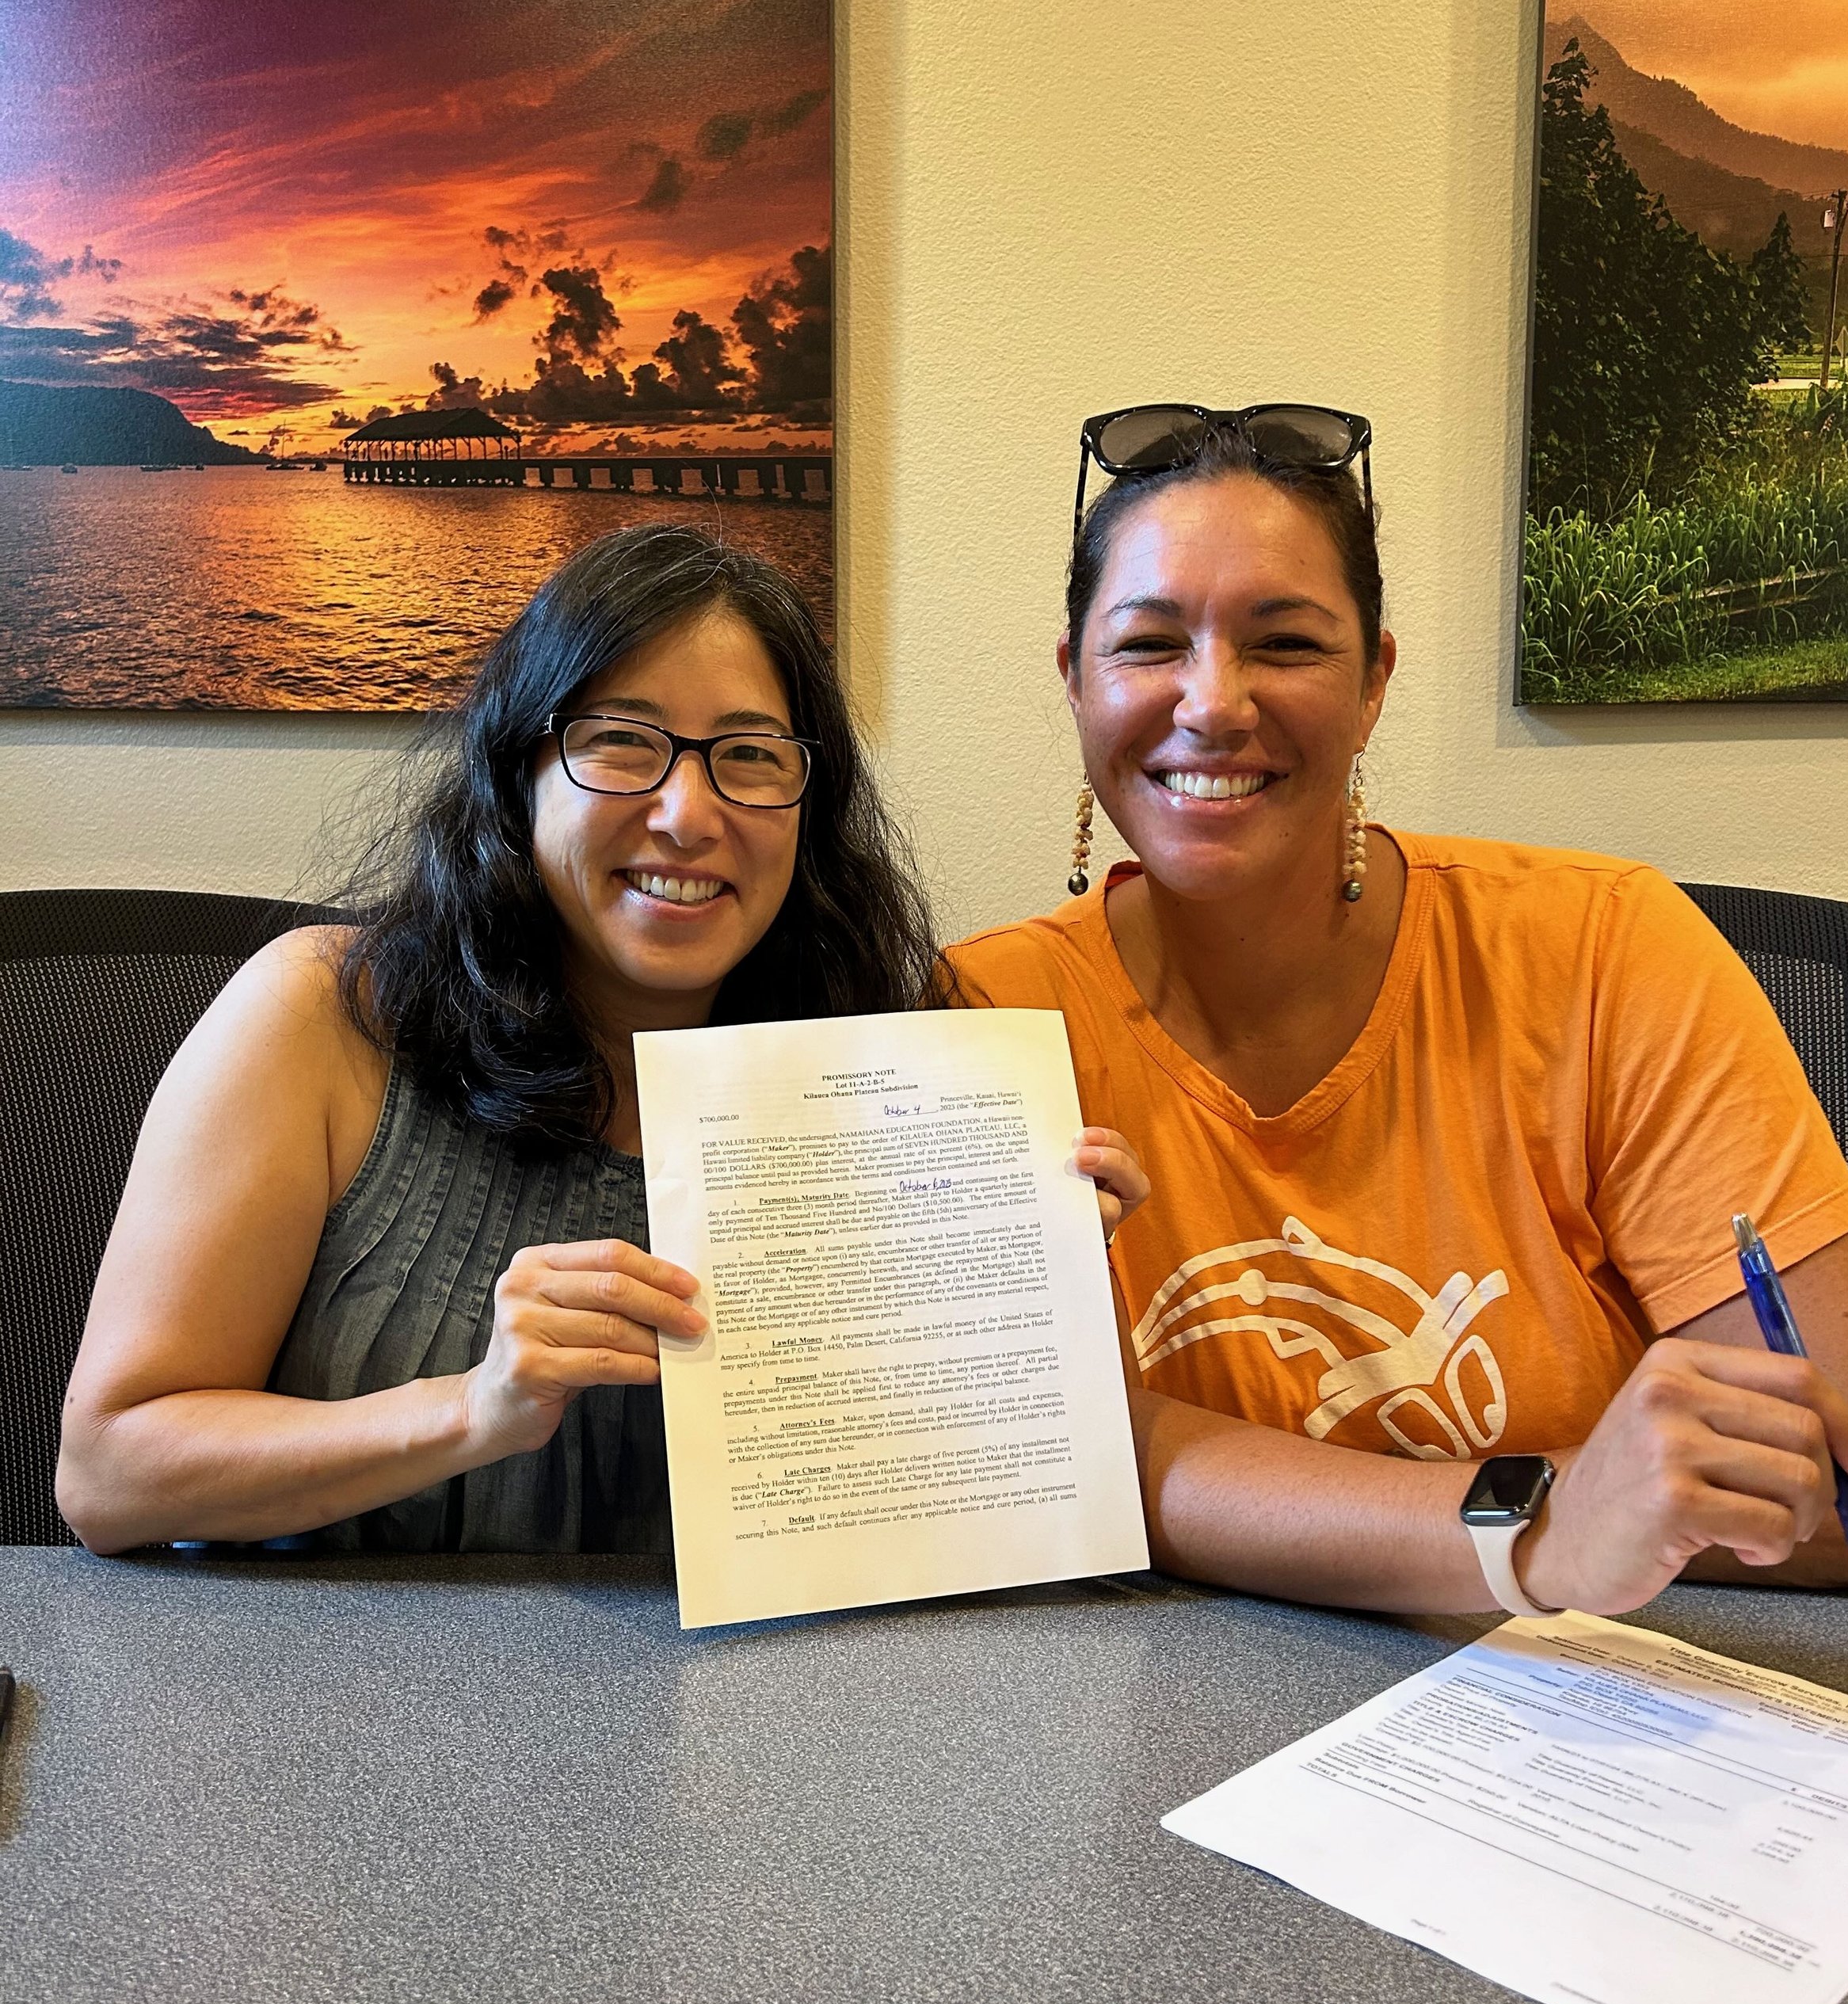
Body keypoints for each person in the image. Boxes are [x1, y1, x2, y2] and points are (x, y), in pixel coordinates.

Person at [947, 404, 1848, 1616]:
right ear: (1075, 679)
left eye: (1286, 643)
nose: (1213, 702)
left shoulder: (1605, 949)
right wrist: (1538, 1524)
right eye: (1150, 643)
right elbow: (986, 1463)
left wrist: (1156, 1458)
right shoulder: (974, 1022)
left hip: (1593, 1691)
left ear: (1374, 681)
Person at [57, 522, 1142, 1559]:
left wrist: (1020, 1306)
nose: (688, 814)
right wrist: (472, 1409)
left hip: (736, 1690)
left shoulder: (877, 1077)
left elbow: (911, 1522)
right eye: (622, 741)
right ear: (516, 774)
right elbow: (111, 1473)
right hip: (313, 1677)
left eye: (750, 755)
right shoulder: (326, 1014)